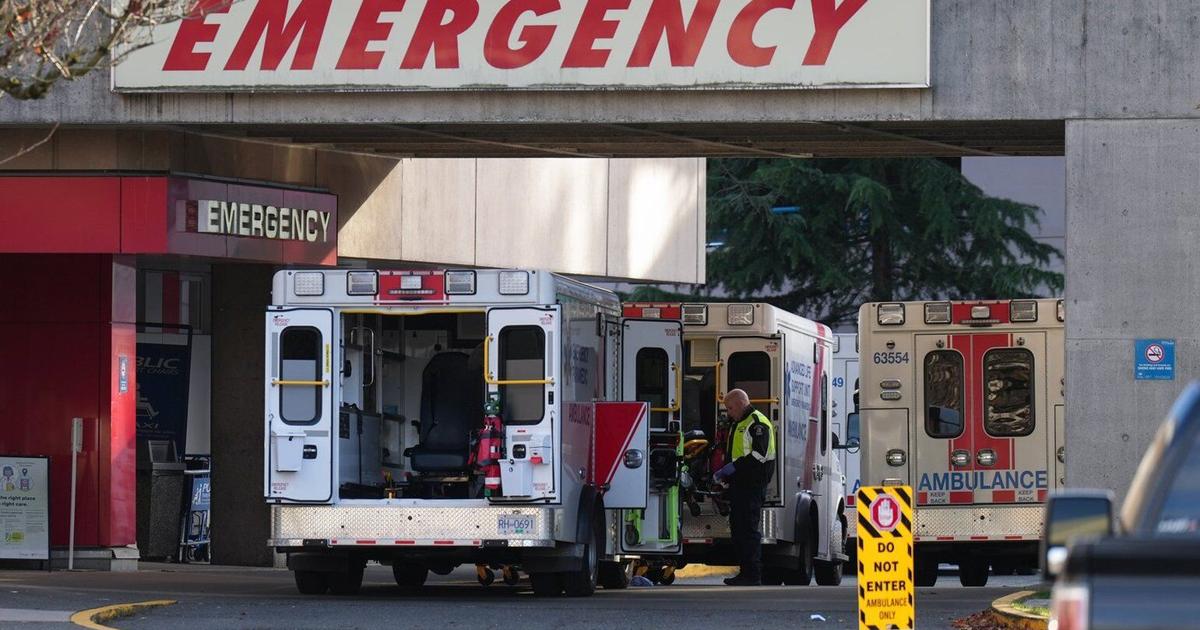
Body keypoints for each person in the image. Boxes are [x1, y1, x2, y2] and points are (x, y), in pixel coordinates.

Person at [713, 389, 776, 586]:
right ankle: (746, 572)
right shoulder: (738, 423)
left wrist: (732, 468)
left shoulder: (757, 423)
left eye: (730, 408)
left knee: (748, 530)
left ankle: (752, 574)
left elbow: (759, 455)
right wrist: (727, 475)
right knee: (739, 529)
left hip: (752, 485)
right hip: (740, 484)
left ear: (741, 403)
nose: (729, 412)